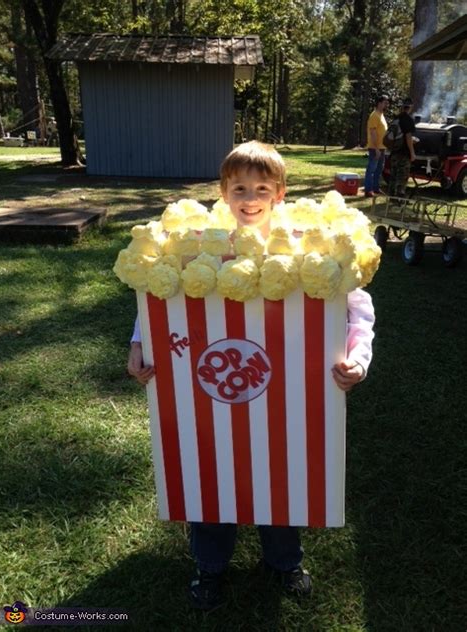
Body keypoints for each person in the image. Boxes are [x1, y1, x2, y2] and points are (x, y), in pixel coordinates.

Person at [127, 141, 376, 610]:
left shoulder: (308, 248)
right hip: (208, 400)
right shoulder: (197, 246)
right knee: (210, 473)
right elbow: (161, 302)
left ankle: (285, 561)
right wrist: (141, 343)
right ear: (223, 192)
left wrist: (357, 357)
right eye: (239, 187)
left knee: (281, 475)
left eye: (261, 187)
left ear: (279, 193)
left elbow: (356, 309)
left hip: (286, 401)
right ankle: (210, 566)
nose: (250, 197)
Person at [388, 98, 416, 198]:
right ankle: (400, 198)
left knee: (393, 176)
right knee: (402, 176)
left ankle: (391, 196)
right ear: (410, 107)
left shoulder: (396, 118)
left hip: (394, 152)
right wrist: (412, 153)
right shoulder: (408, 120)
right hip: (403, 153)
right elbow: (408, 137)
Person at [364, 94, 389, 197]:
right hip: (375, 148)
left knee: (379, 169)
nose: (387, 104)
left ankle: (375, 188)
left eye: (387, 103)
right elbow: (373, 133)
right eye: (385, 102)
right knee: (371, 168)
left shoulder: (381, 115)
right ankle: (368, 189)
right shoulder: (374, 115)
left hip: (382, 147)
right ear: (379, 103)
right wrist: (376, 148)